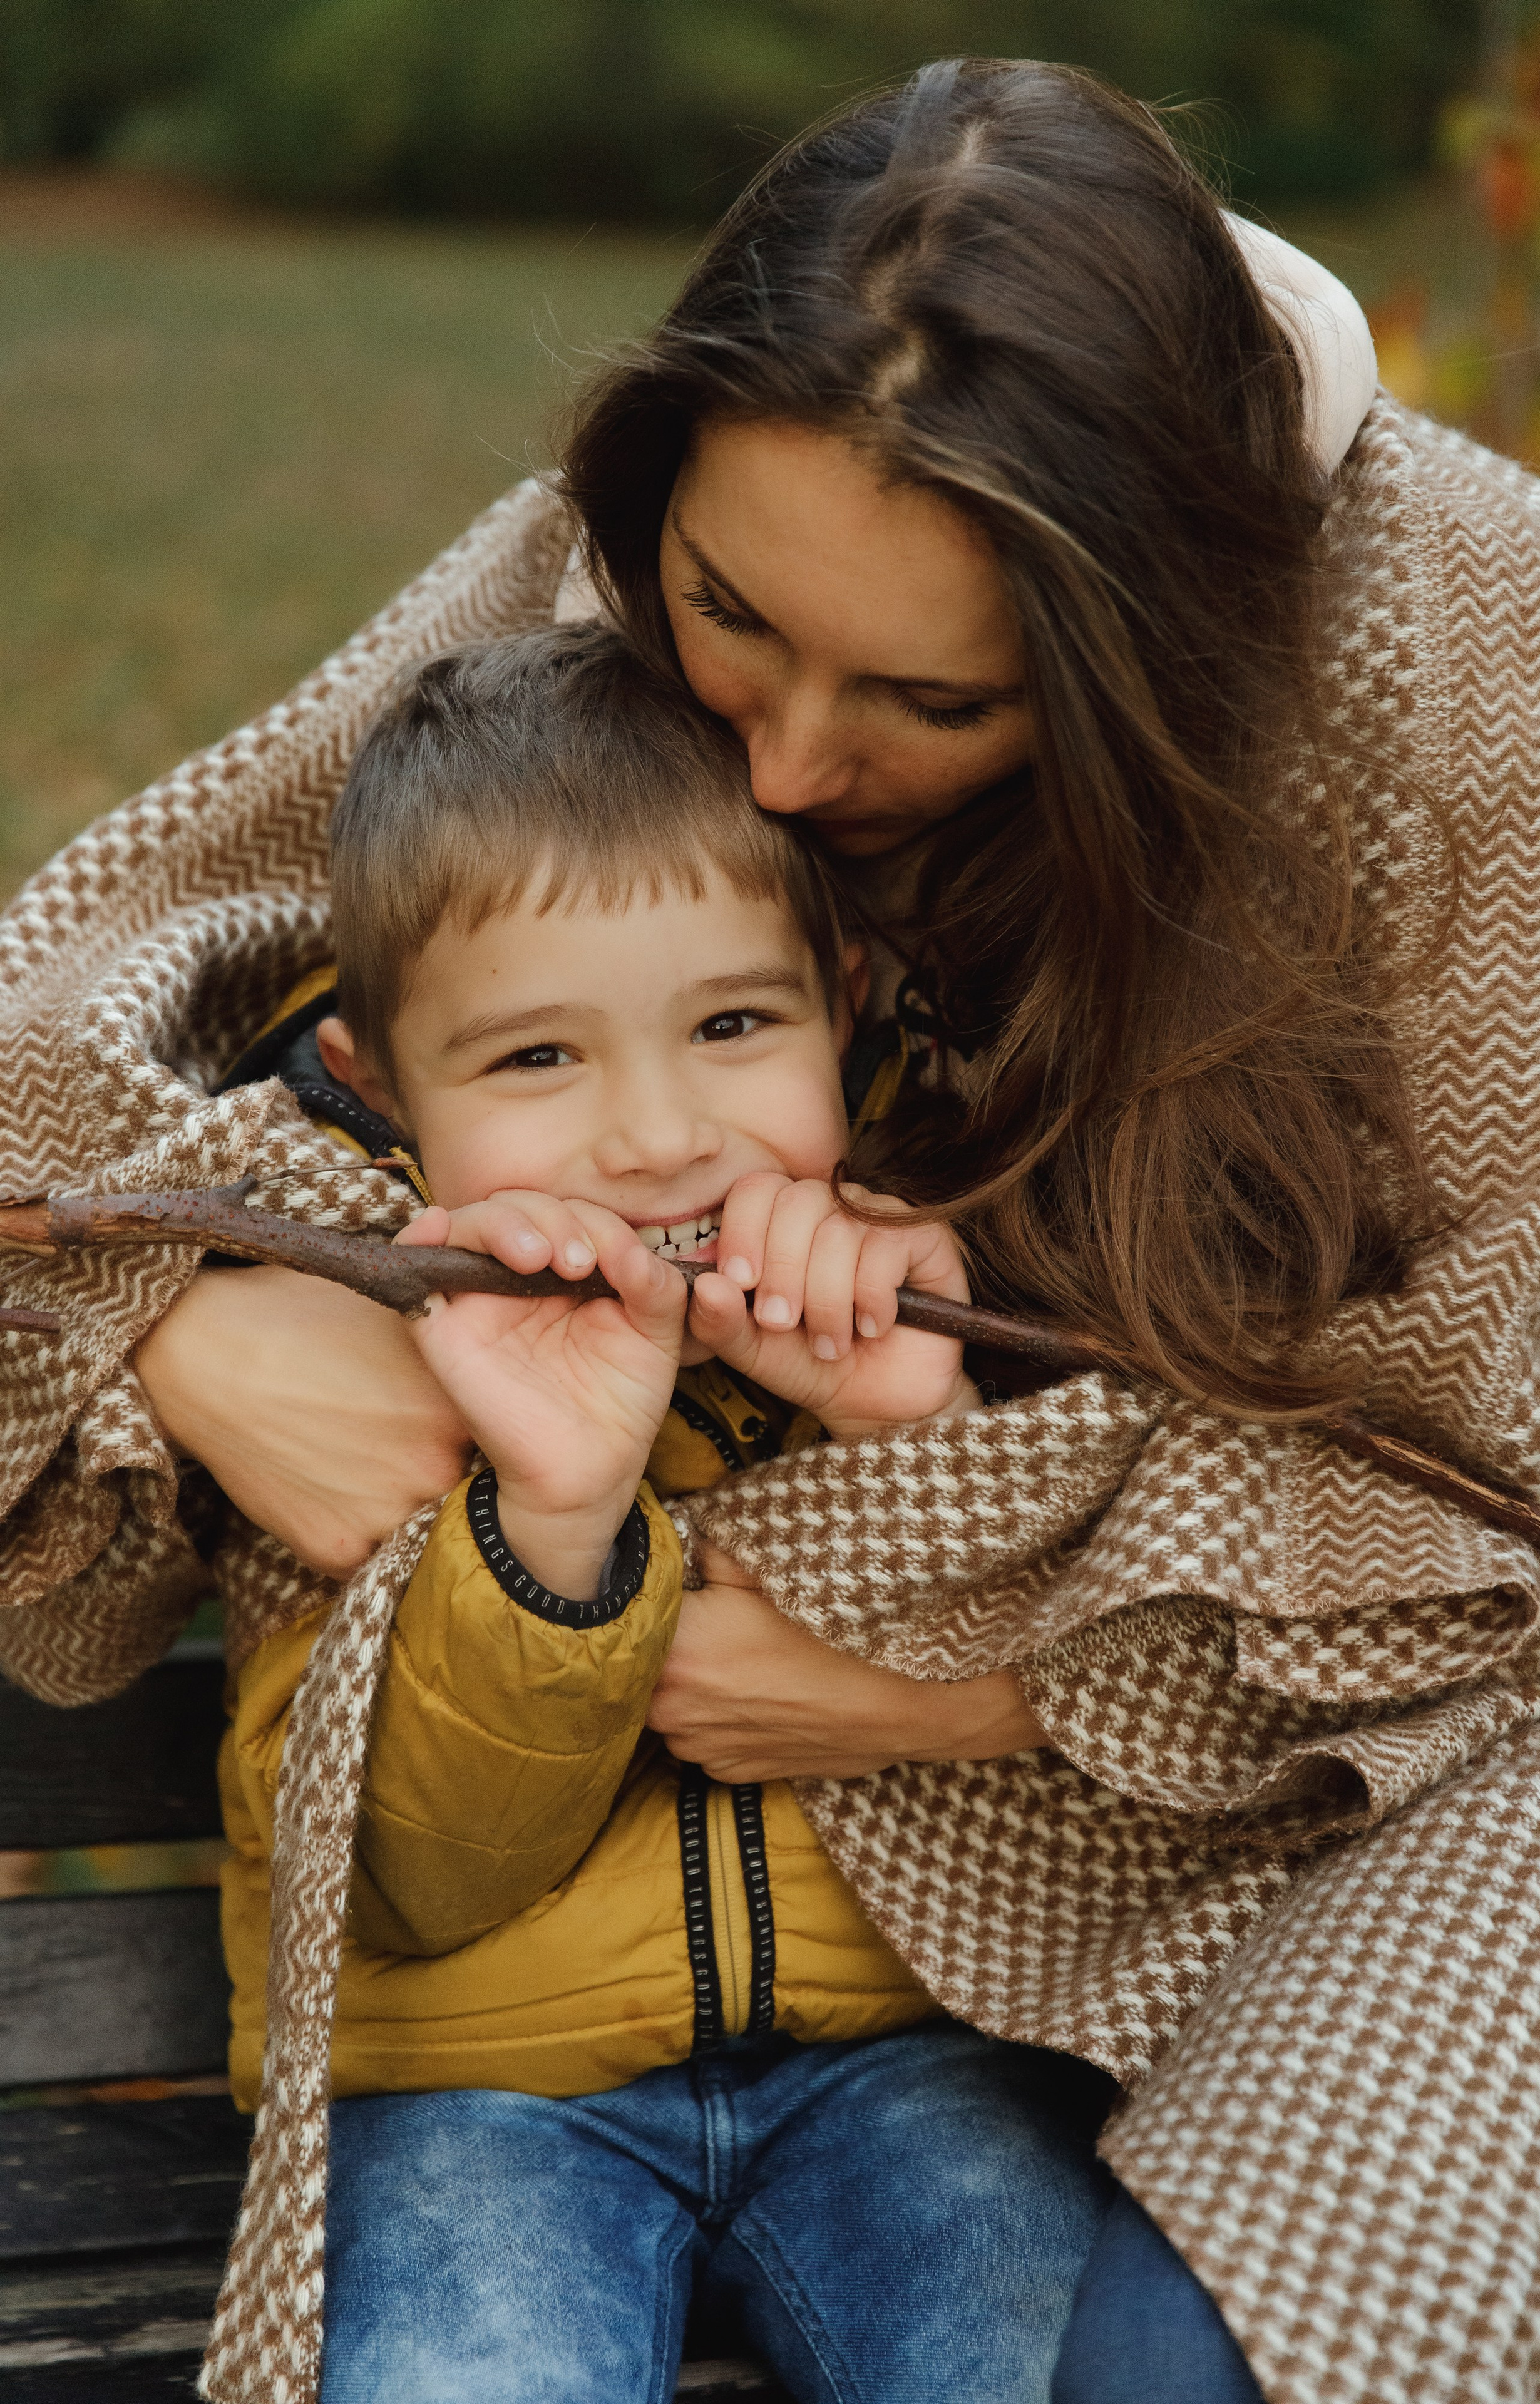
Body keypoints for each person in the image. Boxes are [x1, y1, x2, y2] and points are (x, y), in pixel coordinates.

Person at [6, 56, 1540, 2404]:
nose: (771, 768)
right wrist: (180, 1321)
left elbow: (1538, 1472)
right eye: (723, 618)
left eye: (930, 700)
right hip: (568, 2048)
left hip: (1465, 1764)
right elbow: (79, 984)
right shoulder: (683, 519)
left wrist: (978, 1677)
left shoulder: (1483, 675)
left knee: (1200, 2351)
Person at [215, 620, 1117, 2400]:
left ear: (844, 1003)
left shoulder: (947, 1292)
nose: (654, 1135)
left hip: (906, 2066)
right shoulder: (355, 1373)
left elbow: (1086, 1820)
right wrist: (552, 1513)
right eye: (536, 1061)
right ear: (385, 1085)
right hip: (475, 2092)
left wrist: (897, 1448)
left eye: (729, 1023)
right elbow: (406, 1880)